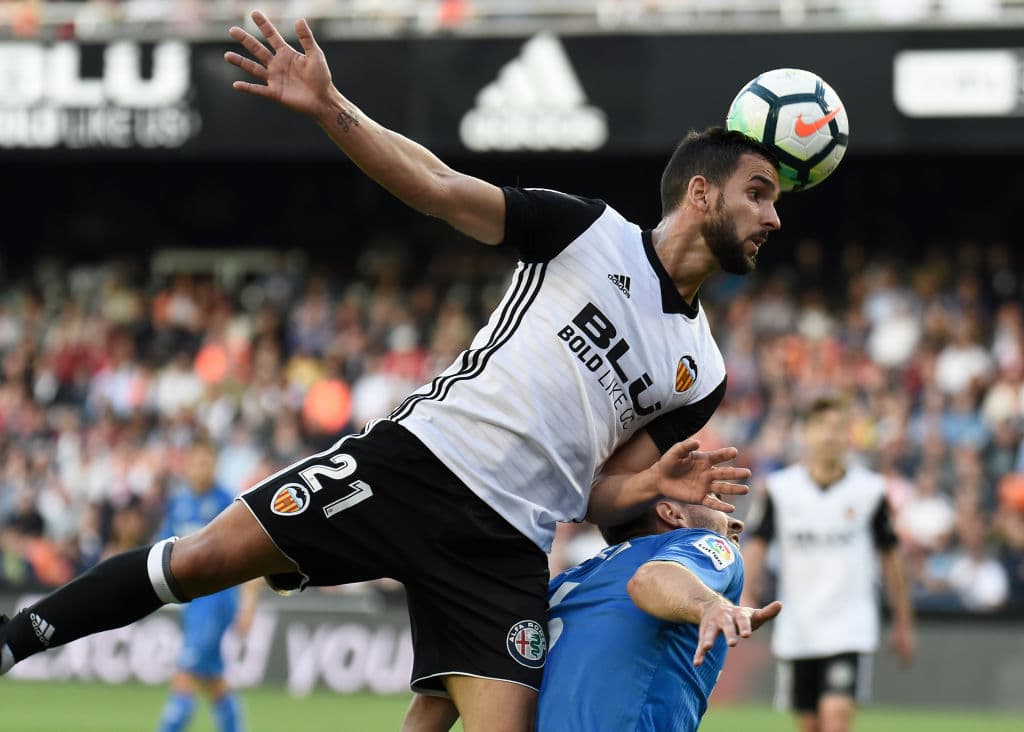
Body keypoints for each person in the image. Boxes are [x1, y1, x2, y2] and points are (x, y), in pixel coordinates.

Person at [0, 12, 780, 731]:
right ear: (700, 192)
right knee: (203, 558)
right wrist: (331, 106)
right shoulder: (588, 232)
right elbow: (439, 189)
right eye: (758, 194)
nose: (772, 218)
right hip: (417, 464)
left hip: (506, 545)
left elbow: (598, 496)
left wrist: (649, 490)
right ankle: (11, 641)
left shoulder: (701, 371)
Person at [403, 496, 782, 732]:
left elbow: (463, 681)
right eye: (715, 499)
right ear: (672, 514)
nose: (737, 523)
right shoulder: (704, 545)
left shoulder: (562, 585)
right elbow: (650, 580)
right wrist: (710, 605)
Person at [741, 396, 915, 732]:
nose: (830, 436)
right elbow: (757, 545)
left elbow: (892, 557)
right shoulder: (780, 490)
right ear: (806, 434)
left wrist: (904, 623)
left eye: (838, 428)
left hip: (849, 626)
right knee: (810, 724)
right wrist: (746, 595)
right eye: (822, 428)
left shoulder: (870, 491)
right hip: (799, 627)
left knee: (836, 719)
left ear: (848, 436)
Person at [155, 441, 258, 732]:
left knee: (184, 674)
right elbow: (162, 551)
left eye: (208, 462)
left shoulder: (229, 502)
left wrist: (248, 605)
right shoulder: (179, 503)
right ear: (186, 465)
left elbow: (251, 556)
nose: (203, 468)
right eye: (198, 462)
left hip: (217, 600)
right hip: (192, 602)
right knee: (212, 679)